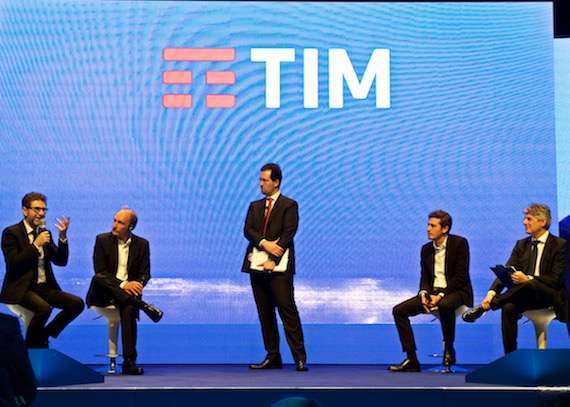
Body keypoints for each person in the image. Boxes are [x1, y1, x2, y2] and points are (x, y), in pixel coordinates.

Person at [462, 203, 567, 354]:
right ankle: (510, 355)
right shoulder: (521, 244)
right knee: (508, 307)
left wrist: (528, 279)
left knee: (529, 284)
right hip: (524, 295)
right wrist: (491, 292)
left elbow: (556, 279)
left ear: (542, 222)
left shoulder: (559, 245)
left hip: (549, 295)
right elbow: (507, 271)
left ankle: (488, 307)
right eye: (525, 218)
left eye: (529, 219)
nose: (524, 222)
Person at [242, 163, 308, 372]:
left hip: (280, 268)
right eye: (260, 180)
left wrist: (274, 256)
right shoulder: (255, 206)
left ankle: (299, 357)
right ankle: (273, 356)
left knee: (287, 311)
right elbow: (248, 230)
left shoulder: (289, 205)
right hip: (256, 266)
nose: (261, 184)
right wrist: (264, 243)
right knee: (265, 313)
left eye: (265, 180)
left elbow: (289, 233)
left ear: (276, 182)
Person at [390, 210, 472, 372]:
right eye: (428, 225)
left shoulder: (460, 243)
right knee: (399, 311)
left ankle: (449, 349)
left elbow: (460, 277)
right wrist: (423, 293)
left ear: (445, 228)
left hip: (457, 291)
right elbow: (425, 277)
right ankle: (412, 359)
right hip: (433, 293)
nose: (428, 229)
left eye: (433, 226)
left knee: (445, 305)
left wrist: (440, 295)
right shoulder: (426, 249)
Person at [0, 192, 84, 348]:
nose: (41, 213)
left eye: (44, 209)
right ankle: (32, 347)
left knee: (77, 304)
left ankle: (44, 335)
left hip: (44, 288)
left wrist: (62, 237)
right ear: (25, 210)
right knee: (44, 309)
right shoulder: (11, 233)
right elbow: (13, 264)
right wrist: (35, 245)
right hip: (22, 288)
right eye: (37, 209)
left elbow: (61, 261)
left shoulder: (44, 233)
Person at [86, 208, 163, 375]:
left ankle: (129, 362)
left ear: (131, 227)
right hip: (103, 293)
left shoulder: (142, 244)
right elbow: (100, 272)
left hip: (127, 296)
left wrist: (138, 284)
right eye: (114, 220)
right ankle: (143, 306)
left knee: (128, 306)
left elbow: (145, 273)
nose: (114, 225)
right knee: (99, 278)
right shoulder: (102, 240)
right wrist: (123, 284)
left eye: (120, 222)